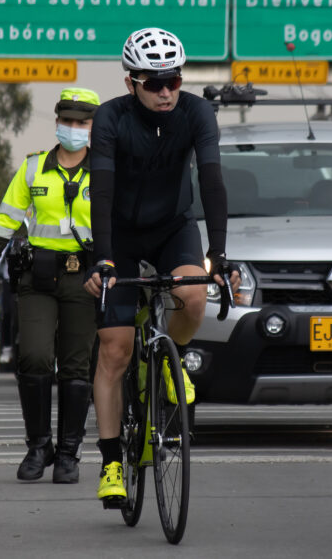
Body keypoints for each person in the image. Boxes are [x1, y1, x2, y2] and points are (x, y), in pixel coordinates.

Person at [82, 27, 240, 505]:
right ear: (132, 82)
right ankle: (111, 462)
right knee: (115, 349)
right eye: (154, 83)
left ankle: (171, 363)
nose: (167, 90)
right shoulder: (110, 117)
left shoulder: (196, 112)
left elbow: (212, 183)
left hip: (173, 227)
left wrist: (221, 253)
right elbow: (102, 192)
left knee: (194, 296)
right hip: (120, 234)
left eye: (173, 79)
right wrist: (102, 259)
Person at [0, 87, 101, 483]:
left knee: (77, 368)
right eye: (68, 121)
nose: (74, 129)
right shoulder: (32, 168)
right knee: (32, 357)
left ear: (93, 126)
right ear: (58, 121)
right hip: (38, 278)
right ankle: (38, 445)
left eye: (82, 123)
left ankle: (68, 455)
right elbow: (6, 219)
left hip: (85, 279)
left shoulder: (106, 170)